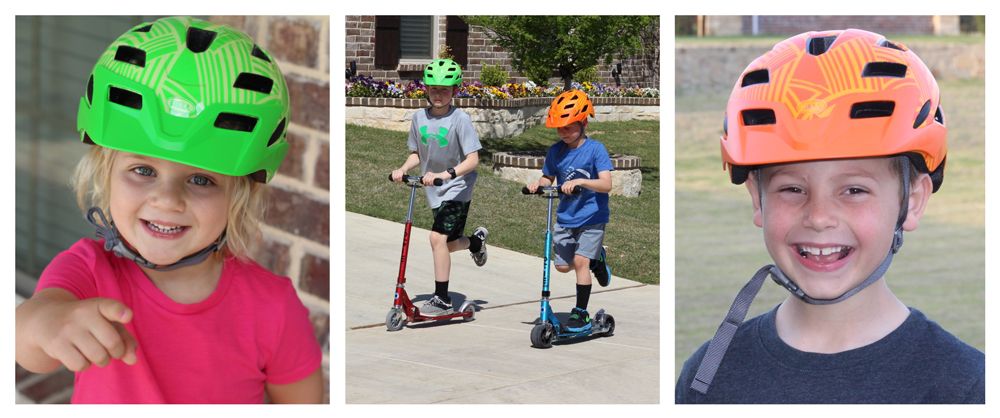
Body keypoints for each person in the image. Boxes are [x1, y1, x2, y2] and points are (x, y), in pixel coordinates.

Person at [14, 17, 323, 403]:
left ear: (238, 198)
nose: (167, 199)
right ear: (105, 175)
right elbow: (27, 344)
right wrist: (49, 323)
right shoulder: (87, 272)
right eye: (142, 170)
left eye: (201, 180)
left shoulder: (273, 307)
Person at [676, 29, 984, 403]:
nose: (819, 217)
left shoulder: (966, 387)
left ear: (913, 200)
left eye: (854, 190)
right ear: (757, 199)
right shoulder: (708, 374)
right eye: (792, 189)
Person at [390, 58, 488, 316]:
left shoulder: (460, 120)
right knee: (449, 243)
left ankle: (442, 298)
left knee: (437, 239)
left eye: (445, 90)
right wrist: (403, 169)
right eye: (434, 88)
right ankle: (475, 243)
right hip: (434, 189)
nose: (439, 94)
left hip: (458, 188)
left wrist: (447, 174)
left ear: (455, 91)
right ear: (426, 88)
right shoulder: (419, 118)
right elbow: (417, 154)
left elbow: (473, 159)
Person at [526, 89, 613, 330]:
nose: (563, 132)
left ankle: (581, 312)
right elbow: (548, 178)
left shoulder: (596, 150)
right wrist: (538, 185)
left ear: (583, 122)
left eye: (568, 127)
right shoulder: (556, 151)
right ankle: (598, 260)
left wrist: (582, 182)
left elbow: (606, 185)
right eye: (559, 128)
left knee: (580, 261)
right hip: (566, 218)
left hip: (592, 217)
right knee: (562, 266)